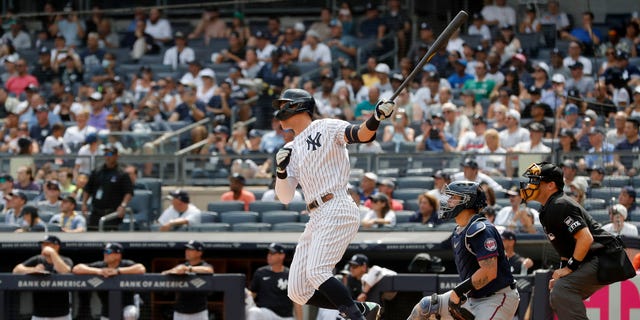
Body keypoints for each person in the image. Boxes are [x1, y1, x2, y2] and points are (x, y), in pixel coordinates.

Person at [273, 88, 389, 319]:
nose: (279, 109)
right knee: (297, 291)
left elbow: (361, 134)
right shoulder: (290, 148)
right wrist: (281, 171)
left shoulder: (325, 126)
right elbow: (285, 197)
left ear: (298, 105)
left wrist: (376, 118)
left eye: (284, 104)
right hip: (316, 215)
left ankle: (355, 317)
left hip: (336, 204)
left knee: (317, 271)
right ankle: (363, 309)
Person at [520, 161, 632, 319]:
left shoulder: (560, 204)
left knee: (562, 290)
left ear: (551, 185)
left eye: (535, 181)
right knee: (559, 291)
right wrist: (562, 272)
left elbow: (585, 239)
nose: (530, 185)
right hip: (591, 257)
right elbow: (565, 250)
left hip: (605, 256)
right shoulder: (547, 209)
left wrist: (569, 269)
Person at [406, 181, 519, 319]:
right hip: (472, 296)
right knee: (427, 306)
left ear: (467, 201)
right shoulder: (459, 229)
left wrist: (458, 291)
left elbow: (489, 272)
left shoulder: (481, 229)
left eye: (454, 197)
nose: (448, 201)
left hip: (496, 298)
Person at [72, 242, 144, 319]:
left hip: (127, 305)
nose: (105, 254)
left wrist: (117, 271)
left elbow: (141, 268)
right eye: (104, 251)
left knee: (130, 314)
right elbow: (77, 268)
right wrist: (98, 271)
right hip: (107, 308)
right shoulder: (100, 265)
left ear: (118, 255)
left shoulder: (125, 264)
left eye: (108, 252)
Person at [13, 235, 73, 319]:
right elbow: (16, 270)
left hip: (61, 313)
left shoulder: (65, 260)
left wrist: (52, 253)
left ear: (56, 246)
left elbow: (64, 271)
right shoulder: (38, 259)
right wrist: (34, 269)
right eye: (43, 244)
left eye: (47, 244)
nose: (44, 247)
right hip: (39, 313)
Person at [82, 145, 134, 230]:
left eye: (110, 154)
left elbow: (128, 192)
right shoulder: (97, 171)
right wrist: (84, 203)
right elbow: (88, 189)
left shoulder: (121, 173)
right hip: (96, 213)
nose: (107, 157)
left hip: (112, 214)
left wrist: (123, 205)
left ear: (116, 156)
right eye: (105, 154)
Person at [247, 243, 303, 320]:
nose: (269, 255)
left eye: (272, 253)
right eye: (268, 253)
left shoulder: (290, 274)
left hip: (286, 317)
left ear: (282, 255)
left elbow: (297, 301)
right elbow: (252, 294)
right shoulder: (260, 272)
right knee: (254, 312)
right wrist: (243, 295)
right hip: (267, 313)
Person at [161, 240, 214, 319]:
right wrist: (171, 271)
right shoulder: (182, 266)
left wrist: (188, 269)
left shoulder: (204, 265)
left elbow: (209, 270)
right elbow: (165, 273)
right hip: (181, 310)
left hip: (199, 311)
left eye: (190, 250)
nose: (187, 252)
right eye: (186, 249)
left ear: (199, 253)